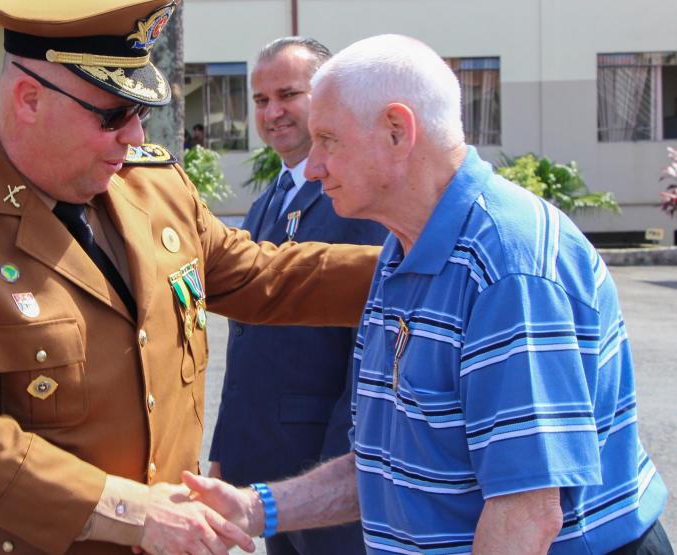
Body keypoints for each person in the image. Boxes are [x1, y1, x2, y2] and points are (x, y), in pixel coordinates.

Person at [0, 2, 380, 555]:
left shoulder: (151, 186)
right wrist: (133, 513)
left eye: (141, 112)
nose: (131, 135)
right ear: (28, 100)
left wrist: (417, 267)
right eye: (111, 114)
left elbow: (262, 275)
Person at [186, 34, 672, 554]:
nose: (317, 164)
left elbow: (527, 513)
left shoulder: (508, 266)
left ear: (397, 132)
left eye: (328, 139)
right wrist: (255, 507)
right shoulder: (403, 251)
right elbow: (388, 461)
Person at [207, 36, 387, 555]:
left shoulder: (358, 203)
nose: (273, 112)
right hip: (269, 473)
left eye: (289, 94)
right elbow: (245, 346)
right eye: (261, 100)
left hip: (328, 480)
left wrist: (337, 478)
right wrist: (228, 451)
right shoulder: (269, 202)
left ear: (325, 96)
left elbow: (366, 356)